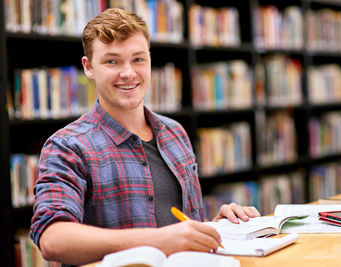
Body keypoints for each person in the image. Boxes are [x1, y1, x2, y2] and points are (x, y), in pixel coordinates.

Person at [30, 8, 260, 265]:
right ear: (89, 67)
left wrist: (213, 230)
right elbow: (53, 239)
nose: (128, 73)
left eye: (138, 59)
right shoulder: (67, 146)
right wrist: (155, 240)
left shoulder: (175, 133)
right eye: (112, 61)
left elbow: (180, 227)